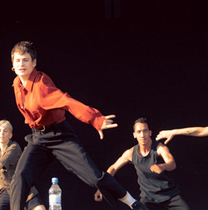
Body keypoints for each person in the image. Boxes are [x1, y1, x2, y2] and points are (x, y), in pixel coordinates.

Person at [8, 40, 149, 210]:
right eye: (17, 61)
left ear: (34, 63)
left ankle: (133, 203)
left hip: (59, 136)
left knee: (93, 177)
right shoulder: (17, 83)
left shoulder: (41, 85)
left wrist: (95, 119)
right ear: (13, 64)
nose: (21, 64)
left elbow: (66, 101)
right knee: (20, 176)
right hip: (38, 138)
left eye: (25, 60)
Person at [95, 118, 190, 210]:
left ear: (150, 133)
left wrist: (162, 166)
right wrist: (102, 187)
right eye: (139, 132)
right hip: (148, 198)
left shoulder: (160, 148)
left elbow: (172, 164)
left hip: (170, 196)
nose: (142, 135)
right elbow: (114, 167)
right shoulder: (131, 153)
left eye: (145, 131)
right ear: (134, 135)